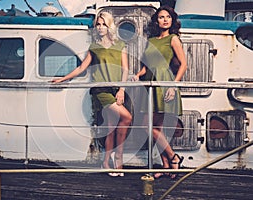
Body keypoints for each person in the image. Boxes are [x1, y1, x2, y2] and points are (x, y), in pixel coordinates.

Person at [52, 12, 132, 177]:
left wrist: (122, 89)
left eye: (103, 24)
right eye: (98, 24)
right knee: (127, 118)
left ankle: (105, 162)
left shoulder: (120, 45)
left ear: (109, 26)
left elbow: (125, 69)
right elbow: (82, 68)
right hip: (101, 90)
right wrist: (63, 78)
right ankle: (119, 159)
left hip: (116, 89)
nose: (100, 27)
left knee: (111, 126)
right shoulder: (94, 47)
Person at [132, 5, 187, 179]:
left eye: (168, 17)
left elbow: (184, 65)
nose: (165, 20)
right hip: (149, 84)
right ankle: (167, 163)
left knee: (154, 127)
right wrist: (137, 75)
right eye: (161, 17)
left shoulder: (173, 39)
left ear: (172, 20)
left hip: (165, 83)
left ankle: (172, 158)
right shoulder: (151, 40)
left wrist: (174, 85)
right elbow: (146, 66)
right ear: (157, 20)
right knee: (151, 126)